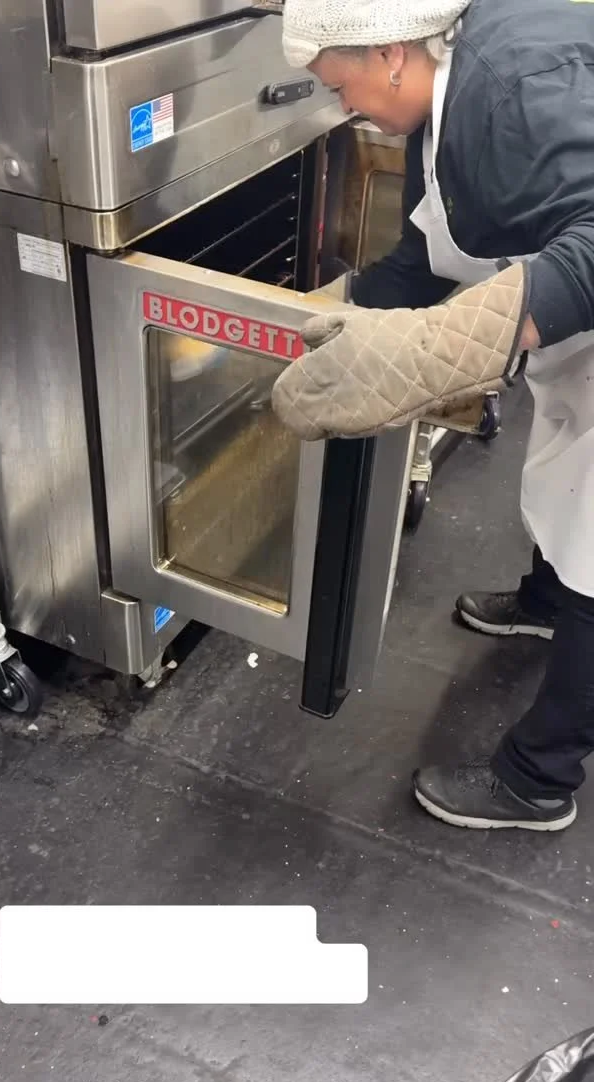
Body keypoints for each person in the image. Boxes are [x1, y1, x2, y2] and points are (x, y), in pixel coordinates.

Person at [275, 0, 594, 833]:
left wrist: (437, 350)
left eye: (341, 88)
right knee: (570, 490)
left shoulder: (511, 88)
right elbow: (428, 254)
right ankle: (548, 601)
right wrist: (326, 319)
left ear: (390, 54)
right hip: (579, 333)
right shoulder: (439, 104)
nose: (347, 108)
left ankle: (538, 780)